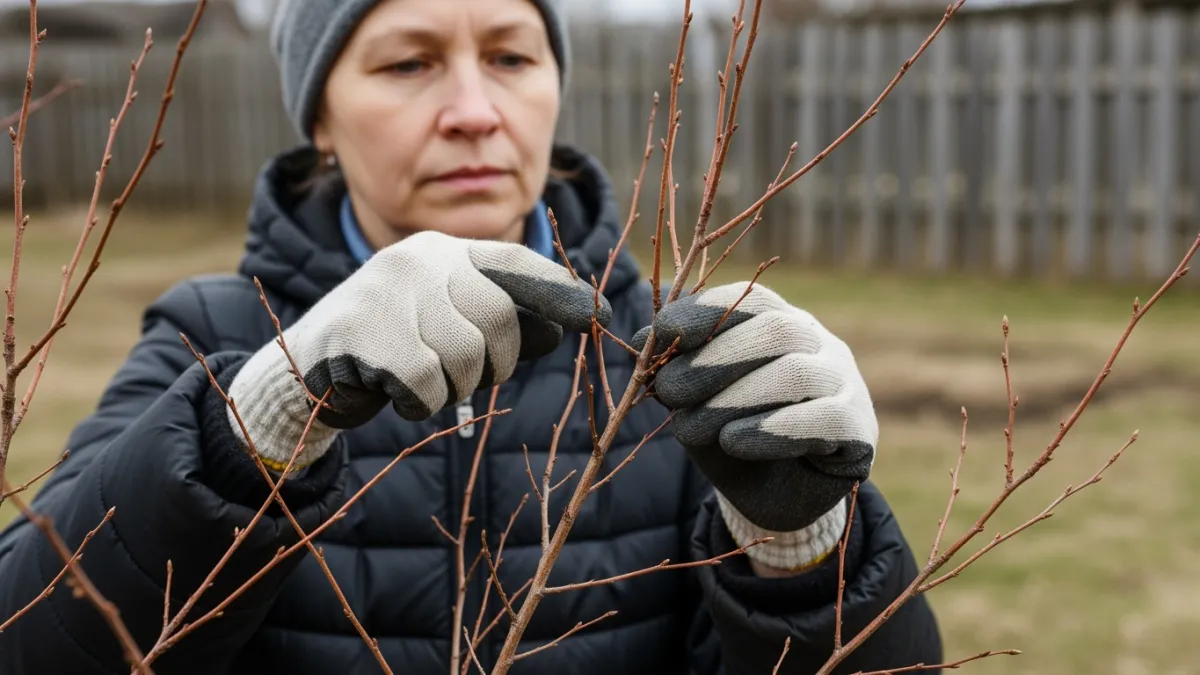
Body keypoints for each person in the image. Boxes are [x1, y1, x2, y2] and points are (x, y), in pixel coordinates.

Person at [0, 0, 942, 672]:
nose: (475, 112)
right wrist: (263, 418)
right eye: (407, 64)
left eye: (512, 57)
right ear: (320, 115)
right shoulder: (217, 337)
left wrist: (800, 546)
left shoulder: (678, 365)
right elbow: (32, 638)